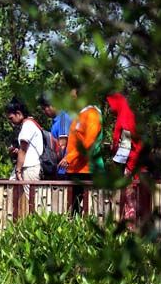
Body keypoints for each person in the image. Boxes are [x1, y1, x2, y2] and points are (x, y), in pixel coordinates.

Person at [58, 89, 104, 215]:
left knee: (89, 211)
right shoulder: (80, 114)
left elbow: (88, 143)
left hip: (88, 170)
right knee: (74, 210)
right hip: (76, 169)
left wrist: (69, 158)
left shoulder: (92, 114)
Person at [106, 92, 144, 224]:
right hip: (138, 162)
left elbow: (126, 145)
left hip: (131, 164)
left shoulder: (125, 118)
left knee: (130, 198)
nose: (109, 109)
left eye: (110, 105)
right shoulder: (129, 113)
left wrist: (115, 164)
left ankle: (131, 229)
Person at [5, 98, 43, 194]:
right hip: (27, 167)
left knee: (31, 199)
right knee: (12, 192)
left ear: (18, 113)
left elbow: (23, 150)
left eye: (11, 118)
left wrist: (18, 170)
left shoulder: (27, 126)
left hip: (29, 168)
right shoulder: (31, 124)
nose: (11, 121)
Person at [39, 95, 72, 178]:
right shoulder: (56, 121)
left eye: (44, 108)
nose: (44, 112)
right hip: (59, 168)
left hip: (64, 169)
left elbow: (62, 146)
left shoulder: (63, 119)